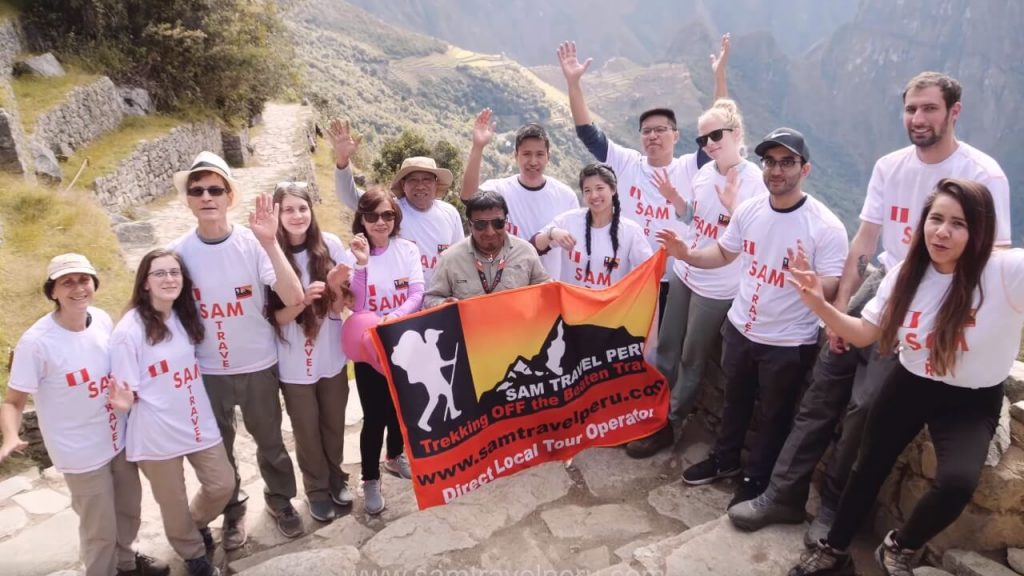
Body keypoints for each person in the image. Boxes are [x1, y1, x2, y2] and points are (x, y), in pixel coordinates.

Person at [728, 72, 1014, 545]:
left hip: (932, 302)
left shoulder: (983, 173)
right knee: (823, 388)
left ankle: (836, 512)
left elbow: (992, 263)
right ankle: (783, 494)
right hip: (884, 283)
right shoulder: (890, 166)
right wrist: (839, 306)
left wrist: (935, 322)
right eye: (911, 109)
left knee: (865, 408)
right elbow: (865, 241)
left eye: (929, 109)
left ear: (953, 112)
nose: (918, 118)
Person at [787, 179, 1023, 576]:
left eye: (958, 224)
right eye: (935, 219)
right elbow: (864, 332)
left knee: (956, 484)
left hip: (972, 399)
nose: (942, 232)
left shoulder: (1002, 274)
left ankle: (899, 546)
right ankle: (834, 551)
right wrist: (817, 303)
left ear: (980, 230)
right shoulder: (906, 275)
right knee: (867, 467)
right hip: (911, 383)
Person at [657, 128, 848, 507]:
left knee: (775, 413)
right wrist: (687, 254)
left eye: (787, 163)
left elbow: (832, 283)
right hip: (741, 326)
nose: (777, 170)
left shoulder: (825, 227)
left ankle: (757, 478)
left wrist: (811, 283)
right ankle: (726, 459)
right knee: (735, 400)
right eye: (771, 162)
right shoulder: (750, 210)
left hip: (788, 339)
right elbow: (725, 254)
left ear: (805, 169)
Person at [0, 254, 169, 576]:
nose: (78, 288)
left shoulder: (102, 319)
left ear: (94, 285)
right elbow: (13, 402)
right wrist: (11, 435)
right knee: (99, 529)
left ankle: (126, 562)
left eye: (84, 280)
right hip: (79, 451)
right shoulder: (37, 344)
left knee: (130, 509)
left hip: (117, 438)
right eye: (67, 282)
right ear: (53, 292)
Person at [168, 151, 305, 547]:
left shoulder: (251, 243)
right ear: (189, 199)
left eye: (216, 189)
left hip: (258, 363)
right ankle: (232, 508)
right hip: (206, 369)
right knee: (219, 449)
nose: (207, 196)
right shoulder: (179, 254)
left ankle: (280, 500)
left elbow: (293, 295)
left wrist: (269, 242)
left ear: (229, 196)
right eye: (198, 190)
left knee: (271, 442)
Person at [629, 98, 768, 458]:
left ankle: (669, 425)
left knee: (692, 359)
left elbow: (757, 241)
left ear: (736, 134)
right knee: (669, 348)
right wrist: (676, 200)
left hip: (718, 286)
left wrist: (735, 208)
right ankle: (654, 409)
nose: (709, 144)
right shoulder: (705, 175)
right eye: (703, 138)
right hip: (686, 272)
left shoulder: (755, 182)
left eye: (716, 135)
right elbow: (696, 219)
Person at [557, 34, 730, 311]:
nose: (652, 136)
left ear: (676, 135)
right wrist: (573, 84)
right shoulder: (627, 163)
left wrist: (719, 77)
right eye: (646, 131)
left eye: (660, 130)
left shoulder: (689, 167)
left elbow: (717, 132)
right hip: (627, 276)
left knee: (666, 348)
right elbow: (588, 133)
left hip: (675, 278)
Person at [109, 249, 233, 576]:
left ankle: (196, 523)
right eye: (160, 273)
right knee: (172, 501)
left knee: (223, 483)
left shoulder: (183, 315)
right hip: (155, 431)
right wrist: (120, 407)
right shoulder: (129, 331)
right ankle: (194, 556)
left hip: (196, 420)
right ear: (145, 283)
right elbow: (123, 391)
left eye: (174, 272)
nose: (169, 279)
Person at [267, 182, 355, 523]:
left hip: (330, 354)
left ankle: (337, 478)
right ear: (277, 214)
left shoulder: (330, 245)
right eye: (288, 209)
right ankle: (316, 489)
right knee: (306, 430)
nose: (296, 215)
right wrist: (301, 300)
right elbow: (272, 316)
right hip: (292, 359)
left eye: (302, 208)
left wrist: (334, 287)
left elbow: (342, 306)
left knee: (333, 423)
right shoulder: (269, 254)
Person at [347, 186, 425, 514]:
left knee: (401, 405)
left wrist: (395, 316)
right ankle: (369, 478)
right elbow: (359, 304)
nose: (380, 222)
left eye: (388, 215)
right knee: (375, 415)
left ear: (396, 218)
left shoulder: (407, 249)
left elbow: (417, 292)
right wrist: (362, 265)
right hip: (370, 347)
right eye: (373, 215)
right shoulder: (351, 253)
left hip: (401, 338)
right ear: (362, 219)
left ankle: (394, 456)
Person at [330, 119, 464, 285]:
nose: (420, 186)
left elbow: (460, 257)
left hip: (441, 300)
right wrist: (343, 159)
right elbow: (348, 196)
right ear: (403, 184)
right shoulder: (390, 211)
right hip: (402, 302)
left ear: (436, 183)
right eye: (413, 180)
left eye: (427, 179)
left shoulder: (450, 213)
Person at [461, 111, 579, 277]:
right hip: (504, 287)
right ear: (516, 156)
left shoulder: (566, 197)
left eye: (539, 154)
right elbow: (468, 197)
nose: (533, 161)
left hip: (546, 290)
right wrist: (478, 147)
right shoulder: (500, 189)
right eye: (526, 154)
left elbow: (572, 251)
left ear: (548, 157)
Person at [531, 163, 652, 288]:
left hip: (612, 306)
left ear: (613, 189)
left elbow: (650, 271)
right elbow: (534, 247)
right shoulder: (568, 221)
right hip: (570, 305)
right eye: (587, 190)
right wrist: (552, 233)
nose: (594, 195)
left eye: (599, 188)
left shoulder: (631, 231)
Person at [425, 190, 550, 307]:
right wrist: (443, 304)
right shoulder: (450, 259)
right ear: (470, 225)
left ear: (506, 222)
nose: (490, 232)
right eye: (481, 224)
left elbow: (545, 290)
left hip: (517, 329)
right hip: (470, 330)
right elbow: (431, 298)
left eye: (498, 223)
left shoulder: (526, 251)